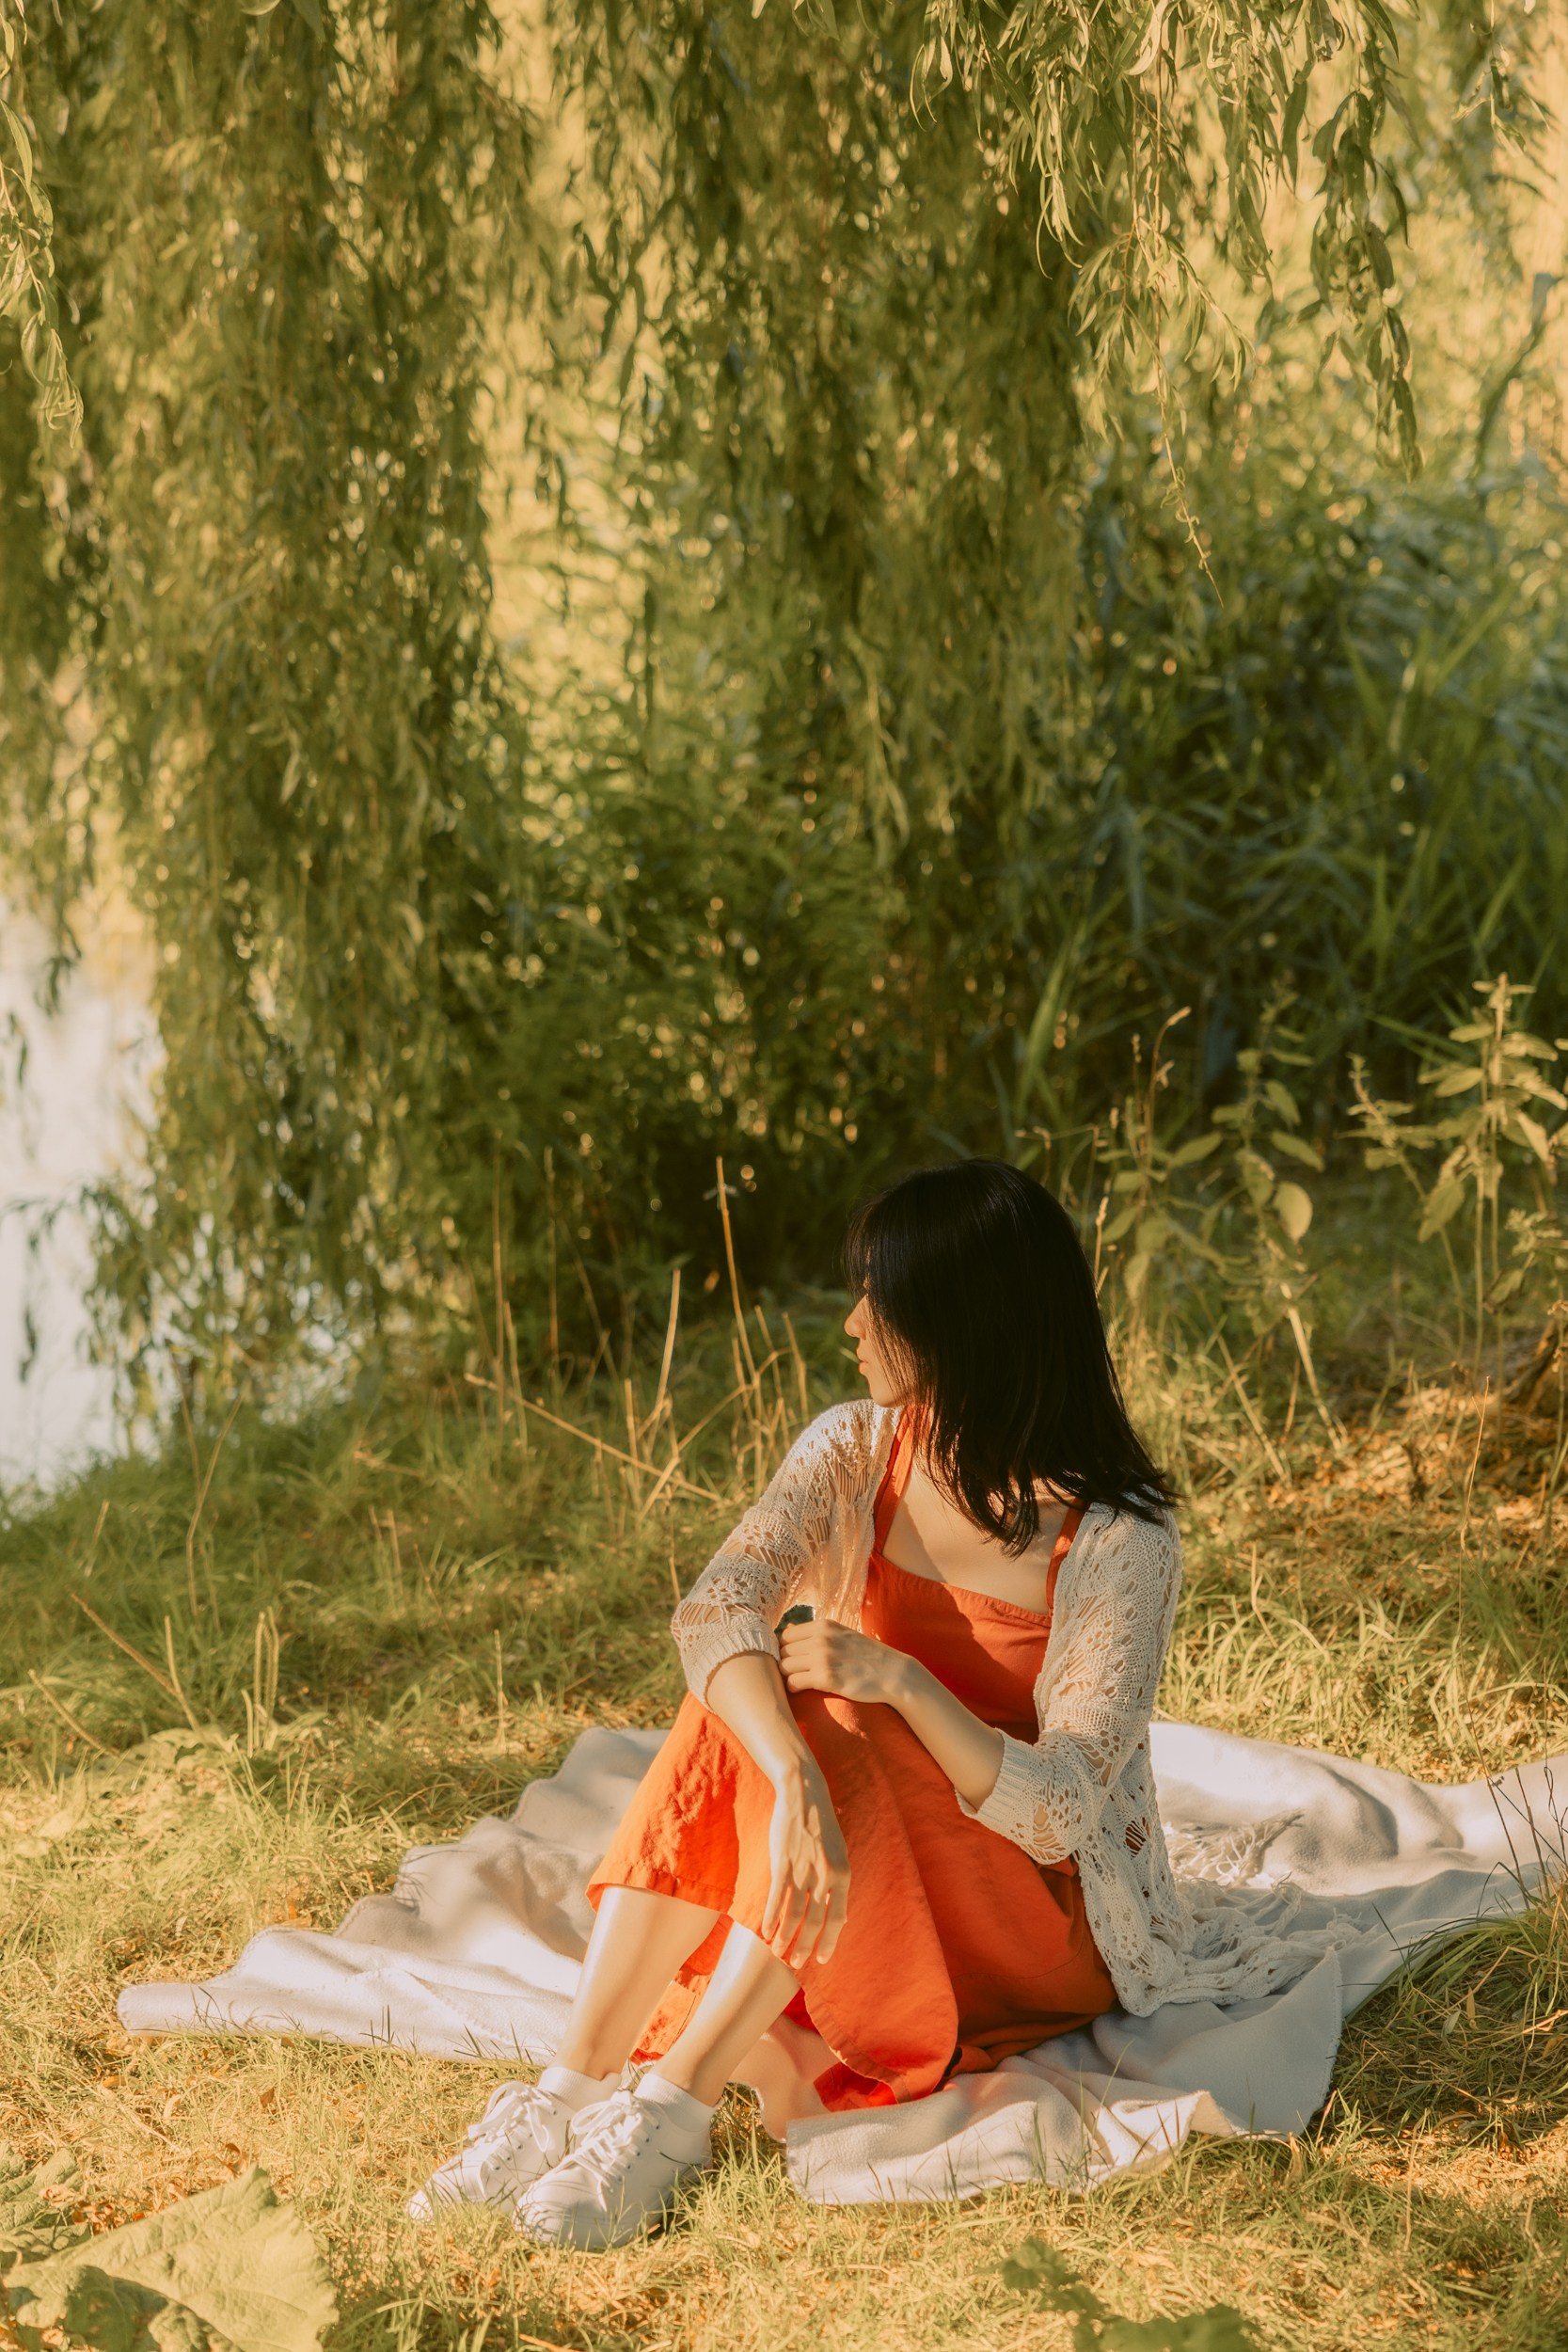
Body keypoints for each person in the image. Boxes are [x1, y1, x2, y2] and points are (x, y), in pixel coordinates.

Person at [407, 1160, 1273, 2249]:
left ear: (961, 1320)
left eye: (880, 1296)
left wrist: (900, 1680)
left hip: (1027, 1910)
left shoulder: (1117, 1540)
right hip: (863, 1852)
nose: (853, 1322)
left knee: (841, 1702)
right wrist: (788, 1772)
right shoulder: (855, 1447)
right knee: (753, 1696)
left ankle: (668, 2112)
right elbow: (714, 1610)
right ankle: (568, 2092)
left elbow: (1061, 1809)